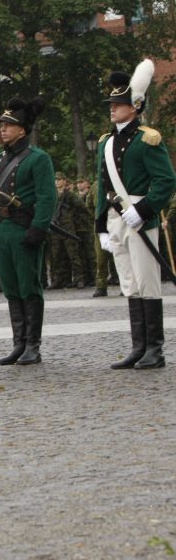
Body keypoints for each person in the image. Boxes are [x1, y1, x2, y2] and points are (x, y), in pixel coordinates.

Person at [95, 60, 176, 369]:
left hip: (139, 217)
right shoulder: (105, 143)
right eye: (112, 104)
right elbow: (103, 184)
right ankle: (138, 347)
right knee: (129, 283)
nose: (113, 108)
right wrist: (102, 224)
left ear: (136, 106)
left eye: (119, 103)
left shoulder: (148, 139)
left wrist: (143, 210)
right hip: (117, 218)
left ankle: (155, 349)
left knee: (147, 282)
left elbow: (166, 181)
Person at [0, 96, 57, 365]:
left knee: (29, 287)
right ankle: (18, 343)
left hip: (25, 229)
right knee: (11, 287)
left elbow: (47, 197)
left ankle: (33, 346)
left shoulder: (38, 159)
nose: (2, 128)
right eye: (1, 124)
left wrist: (39, 228)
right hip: (3, 231)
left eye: (8, 125)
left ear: (22, 129)